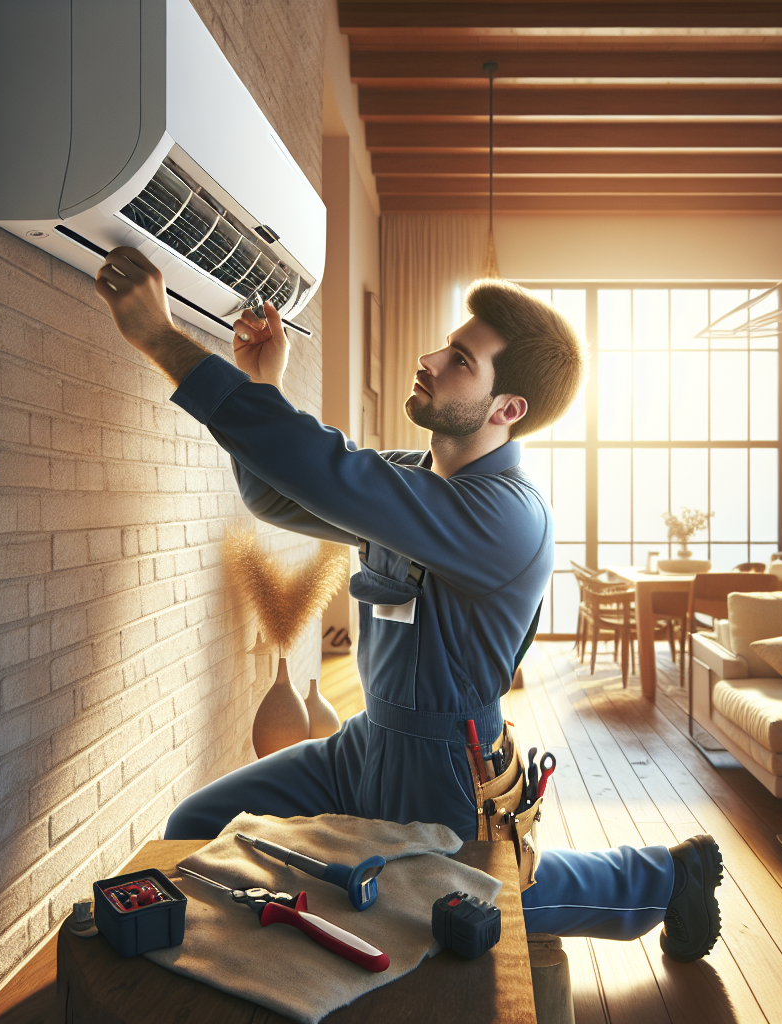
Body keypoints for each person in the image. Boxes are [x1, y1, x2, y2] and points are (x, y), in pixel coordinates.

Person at [94, 246, 723, 959]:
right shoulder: (414, 478)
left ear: (506, 407)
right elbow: (276, 492)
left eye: (459, 359)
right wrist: (259, 384)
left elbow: (327, 468)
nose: (430, 358)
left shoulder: (507, 516)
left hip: (446, 762)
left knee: (464, 908)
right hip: (368, 741)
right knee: (197, 821)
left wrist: (160, 338)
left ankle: (668, 877)